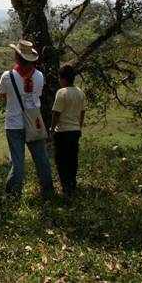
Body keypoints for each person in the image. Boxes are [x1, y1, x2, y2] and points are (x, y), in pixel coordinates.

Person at [0, 40, 54, 196]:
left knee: (17, 161)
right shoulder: (40, 76)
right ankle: (47, 191)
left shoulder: (7, 76)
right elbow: (38, 95)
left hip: (14, 123)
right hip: (34, 122)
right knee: (41, 158)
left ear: (17, 56)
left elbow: (1, 94)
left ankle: (13, 193)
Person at [50, 65, 85, 194]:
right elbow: (82, 113)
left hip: (63, 130)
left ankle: (65, 184)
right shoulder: (80, 92)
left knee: (61, 159)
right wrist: (79, 127)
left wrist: (52, 130)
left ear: (63, 79)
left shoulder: (61, 92)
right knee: (72, 157)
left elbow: (56, 113)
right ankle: (72, 182)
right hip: (75, 129)